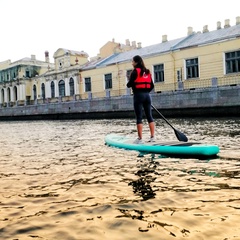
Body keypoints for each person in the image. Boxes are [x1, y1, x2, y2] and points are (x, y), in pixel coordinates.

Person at [127, 55, 155, 144]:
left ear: (136, 62)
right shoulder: (147, 71)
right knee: (149, 116)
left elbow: (129, 84)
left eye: (132, 61)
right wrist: (146, 92)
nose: (132, 63)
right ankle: (152, 137)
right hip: (147, 96)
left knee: (139, 117)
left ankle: (140, 139)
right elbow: (152, 86)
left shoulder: (135, 72)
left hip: (138, 96)